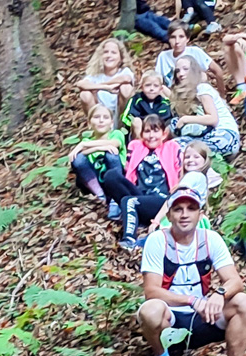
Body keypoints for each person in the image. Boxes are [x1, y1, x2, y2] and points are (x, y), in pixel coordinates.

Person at [136, 185, 246, 356]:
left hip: (205, 315)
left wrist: (219, 293)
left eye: (191, 208)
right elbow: (151, 291)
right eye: (178, 209)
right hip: (171, 318)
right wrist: (189, 300)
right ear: (169, 215)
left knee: (244, 302)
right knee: (150, 310)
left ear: (200, 213)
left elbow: (235, 281)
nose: (184, 214)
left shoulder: (211, 239)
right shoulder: (157, 241)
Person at [119, 115, 182, 246]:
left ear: (164, 134)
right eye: (147, 131)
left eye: (155, 131)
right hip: (141, 195)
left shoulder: (172, 147)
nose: (151, 135)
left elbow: (181, 171)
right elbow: (128, 171)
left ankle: (129, 239)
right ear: (141, 134)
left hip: (163, 199)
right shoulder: (135, 146)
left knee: (129, 201)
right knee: (111, 176)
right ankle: (129, 213)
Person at [169, 55, 242, 161]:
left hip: (224, 134)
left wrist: (185, 120)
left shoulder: (202, 88)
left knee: (182, 148)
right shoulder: (186, 93)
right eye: (178, 71)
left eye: (185, 69)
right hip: (205, 135)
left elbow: (213, 119)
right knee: (173, 144)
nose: (181, 74)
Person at [68, 103, 134, 213]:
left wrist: (85, 146)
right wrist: (92, 147)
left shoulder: (116, 134)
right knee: (78, 159)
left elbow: (114, 144)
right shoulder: (87, 141)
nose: (101, 120)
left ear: (111, 123)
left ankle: (115, 197)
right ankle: (100, 195)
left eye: (105, 117)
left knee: (111, 154)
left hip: (115, 177)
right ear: (89, 123)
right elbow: (76, 158)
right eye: (97, 117)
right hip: (97, 180)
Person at [155, 23, 226, 94]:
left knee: (203, 76)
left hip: (196, 93)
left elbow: (217, 70)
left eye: (181, 37)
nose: (177, 41)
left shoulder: (195, 52)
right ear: (169, 39)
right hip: (174, 96)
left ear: (187, 39)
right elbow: (157, 81)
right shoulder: (163, 56)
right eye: (173, 37)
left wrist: (222, 96)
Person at [77, 37, 135, 123]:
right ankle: (94, 125)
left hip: (119, 111)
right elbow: (80, 84)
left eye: (113, 52)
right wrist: (105, 87)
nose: (109, 55)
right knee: (84, 94)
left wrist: (98, 86)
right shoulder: (95, 74)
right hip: (100, 111)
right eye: (106, 52)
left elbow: (126, 78)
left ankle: (122, 124)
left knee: (126, 88)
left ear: (121, 58)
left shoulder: (124, 71)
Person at [125, 71, 176, 139]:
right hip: (142, 131)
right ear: (141, 87)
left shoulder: (165, 102)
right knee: (136, 121)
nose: (151, 89)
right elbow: (127, 117)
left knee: (169, 126)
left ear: (161, 89)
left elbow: (169, 118)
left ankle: (163, 147)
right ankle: (140, 147)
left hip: (159, 132)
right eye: (148, 85)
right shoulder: (136, 99)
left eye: (156, 86)